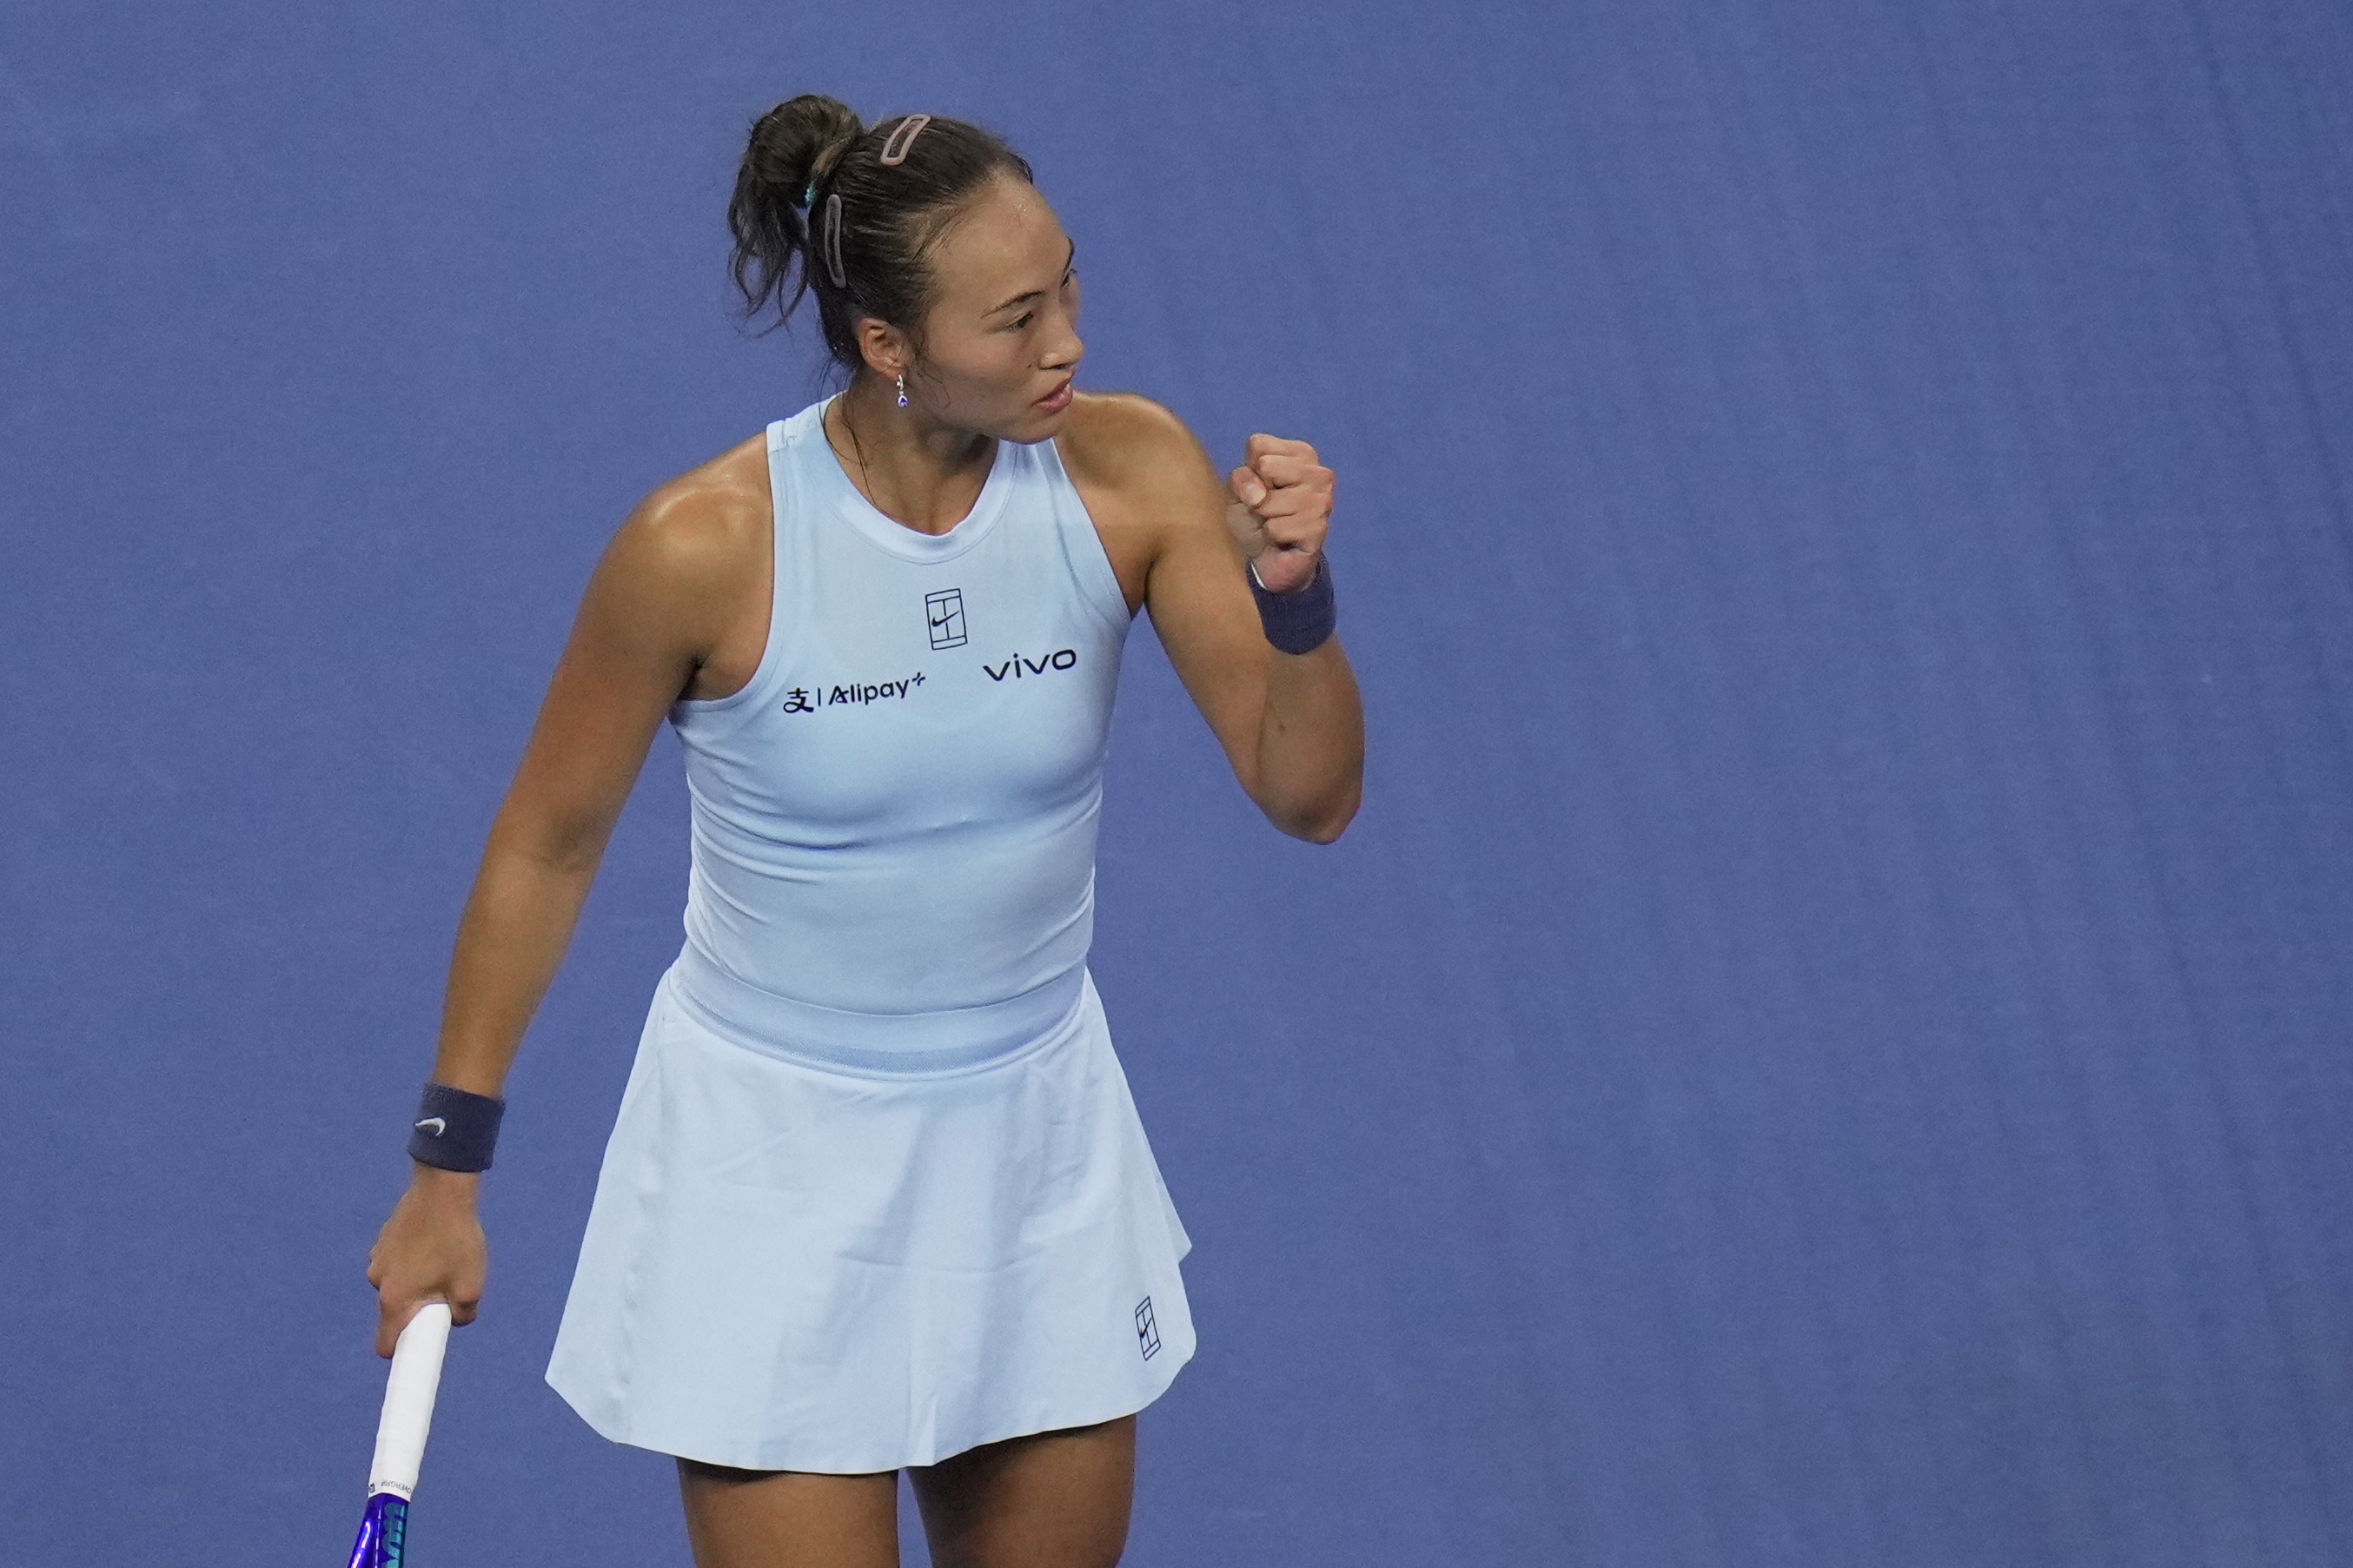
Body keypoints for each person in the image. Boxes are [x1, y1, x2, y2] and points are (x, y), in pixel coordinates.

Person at [365, 94, 1363, 1568]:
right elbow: (547, 845)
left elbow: (1310, 794)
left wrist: (1295, 598)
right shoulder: (702, 547)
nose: (1069, 342)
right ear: (890, 345)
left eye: (1069, 284)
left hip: (1034, 1150)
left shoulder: (1130, 470)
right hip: (772, 1174)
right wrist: (448, 1175)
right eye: (1015, 318)